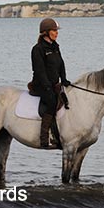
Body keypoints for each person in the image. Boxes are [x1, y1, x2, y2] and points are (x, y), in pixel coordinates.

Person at [29, 18, 71, 149]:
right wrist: (47, 87)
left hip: (54, 84)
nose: (56, 33)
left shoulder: (55, 47)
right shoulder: (38, 49)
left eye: (56, 31)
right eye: (54, 31)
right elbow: (39, 71)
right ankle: (44, 139)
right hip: (41, 85)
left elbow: (61, 64)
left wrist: (63, 79)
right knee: (52, 102)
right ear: (45, 32)